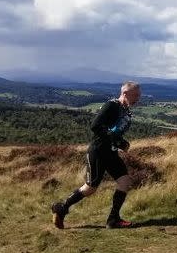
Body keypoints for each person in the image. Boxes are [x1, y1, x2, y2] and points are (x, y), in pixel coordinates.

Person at [51, 81, 141, 229]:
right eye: (135, 95)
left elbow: (115, 132)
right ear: (125, 93)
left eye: (139, 95)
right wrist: (116, 140)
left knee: (125, 181)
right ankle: (62, 208)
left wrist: (121, 142)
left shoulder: (125, 110)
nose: (138, 98)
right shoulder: (111, 105)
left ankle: (113, 220)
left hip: (111, 152)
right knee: (90, 188)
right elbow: (95, 126)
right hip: (98, 151)